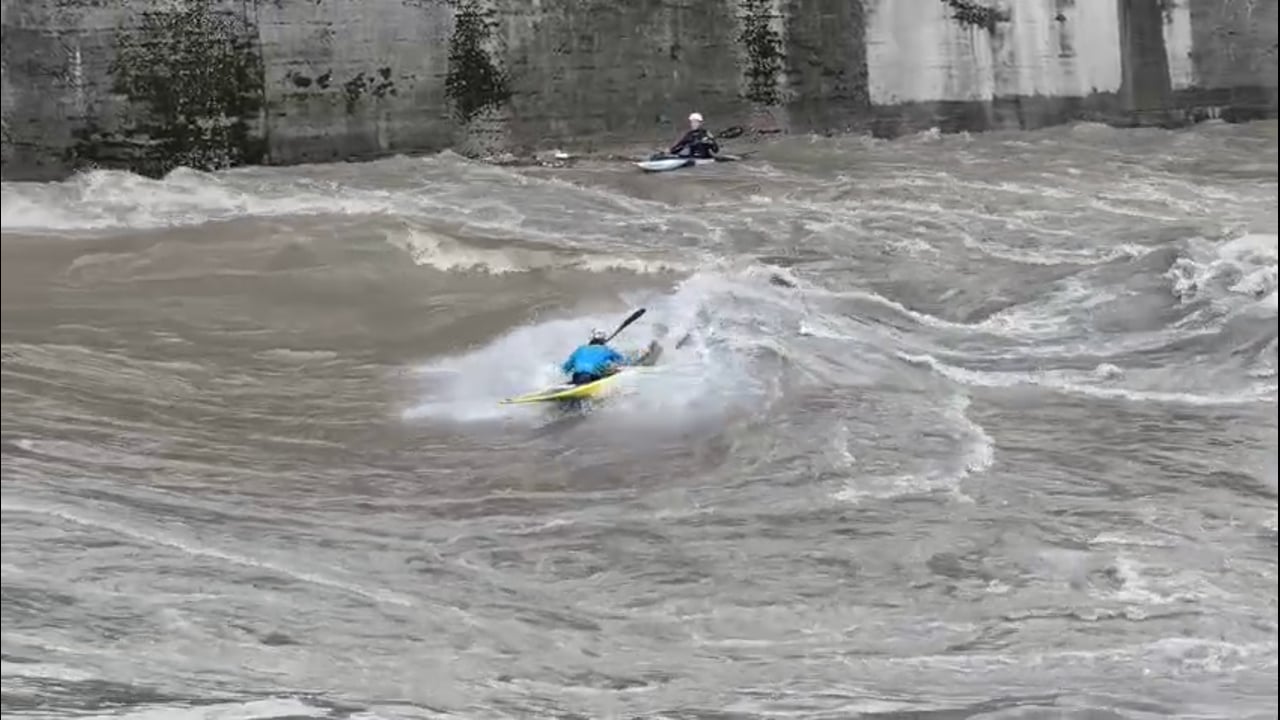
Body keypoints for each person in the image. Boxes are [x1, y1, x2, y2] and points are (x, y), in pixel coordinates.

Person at [561, 329, 629, 385]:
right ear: (603, 340)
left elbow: (566, 368)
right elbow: (621, 360)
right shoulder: (606, 350)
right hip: (592, 377)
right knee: (612, 369)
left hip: (576, 376)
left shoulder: (580, 349)